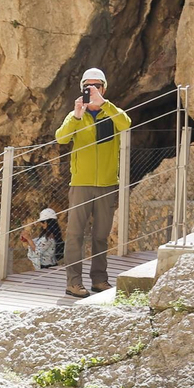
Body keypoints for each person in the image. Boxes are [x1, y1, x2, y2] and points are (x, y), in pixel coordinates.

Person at [54, 68, 131, 297]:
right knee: (75, 235)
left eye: (97, 85)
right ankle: (73, 282)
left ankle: (99, 280)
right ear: (82, 89)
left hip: (107, 183)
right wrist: (77, 115)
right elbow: (61, 138)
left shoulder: (112, 112)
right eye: (88, 86)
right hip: (81, 184)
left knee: (100, 235)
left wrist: (105, 104)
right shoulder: (75, 115)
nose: (93, 89)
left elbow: (126, 124)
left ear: (104, 88)